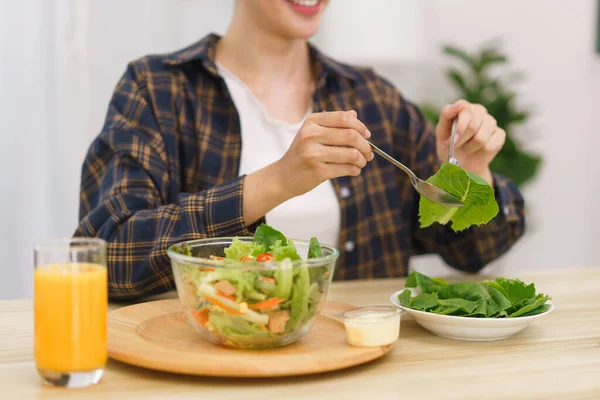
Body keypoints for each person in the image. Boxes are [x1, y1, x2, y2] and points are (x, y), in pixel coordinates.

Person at [76, 0, 524, 300]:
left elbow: (473, 253)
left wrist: (470, 172)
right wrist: (276, 182)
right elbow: (106, 257)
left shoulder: (374, 98)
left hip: (362, 368)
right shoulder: (159, 88)